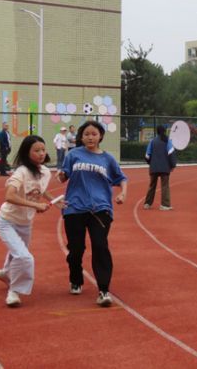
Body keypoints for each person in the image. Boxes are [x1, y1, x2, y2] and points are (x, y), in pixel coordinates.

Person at [56, 120, 127, 307]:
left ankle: (104, 290)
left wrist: (122, 193)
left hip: (100, 208)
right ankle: (76, 279)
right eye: (86, 134)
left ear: (100, 136)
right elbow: (64, 176)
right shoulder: (73, 155)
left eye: (94, 134)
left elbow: (121, 178)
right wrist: (60, 176)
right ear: (81, 136)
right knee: (76, 248)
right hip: (74, 208)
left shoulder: (107, 159)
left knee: (100, 246)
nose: (90, 137)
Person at [0, 135, 65, 307]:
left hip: (25, 223)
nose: (41, 153)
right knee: (24, 256)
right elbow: (9, 196)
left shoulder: (45, 172)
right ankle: (14, 291)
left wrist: (54, 201)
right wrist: (36, 206)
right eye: (36, 150)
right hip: (7, 221)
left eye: (43, 149)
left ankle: (5, 273)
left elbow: (40, 190)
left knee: (17, 253)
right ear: (27, 153)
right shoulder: (21, 172)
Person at [144, 124, 177, 210]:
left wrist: (150, 163)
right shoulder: (167, 141)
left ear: (157, 132)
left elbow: (147, 155)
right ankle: (165, 205)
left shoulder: (152, 141)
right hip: (164, 167)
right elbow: (171, 154)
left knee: (152, 185)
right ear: (164, 131)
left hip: (154, 167)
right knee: (165, 186)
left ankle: (147, 203)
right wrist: (172, 165)